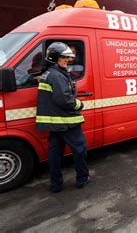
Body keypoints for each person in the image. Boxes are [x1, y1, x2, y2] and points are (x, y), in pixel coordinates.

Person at [36, 42, 90, 193]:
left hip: (55, 122)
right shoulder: (57, 75)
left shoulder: (47, 73)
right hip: (66, 121)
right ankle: (82, 178)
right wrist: (79, 104)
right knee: (79, 150)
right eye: (64, 57)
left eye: (68, 57)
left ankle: (56, 184)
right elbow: (64, 100)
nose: (68, 60)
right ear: (54, 58)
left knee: (55, 153)